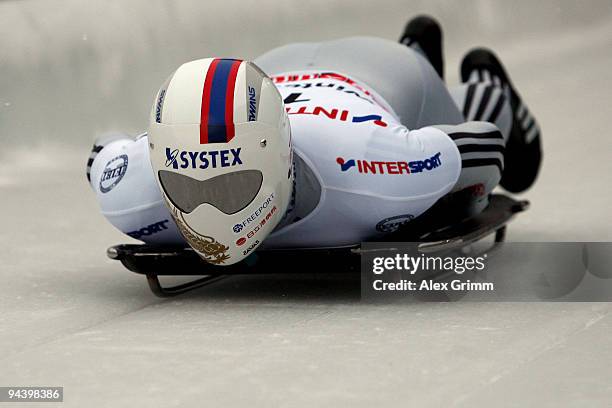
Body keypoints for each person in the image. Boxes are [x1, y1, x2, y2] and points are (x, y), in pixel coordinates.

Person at [87, 16, 542, 265]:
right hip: (277, 70)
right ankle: (419, 44)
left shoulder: (369, 167)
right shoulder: (133, 184)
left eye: (232, 187)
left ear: (280, 159)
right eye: (183, 187)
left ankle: (470, 75)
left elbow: (485, 144)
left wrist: (459, 184)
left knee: (519, 162)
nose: (209, 216)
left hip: (386, 73)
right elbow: (104, 157)